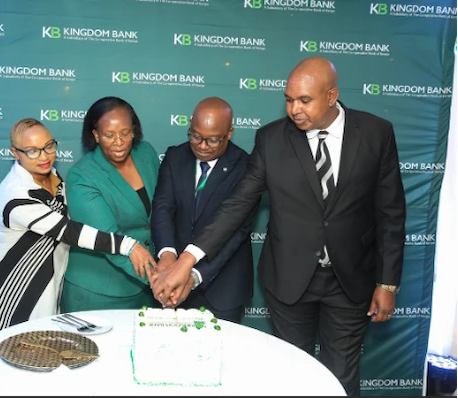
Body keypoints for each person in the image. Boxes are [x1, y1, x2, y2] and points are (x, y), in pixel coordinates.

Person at [150, 57, 406, 396]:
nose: (294, 109)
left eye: (304, 100)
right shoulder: (271, 139)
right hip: (288, 279)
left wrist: (387, 282)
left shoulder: (376, 133)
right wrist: (187, 259)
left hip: (351, 278)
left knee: (341, 374)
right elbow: (237, 206)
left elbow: (391, 212)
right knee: (292, 372)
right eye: (288, 99)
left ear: (331, 96)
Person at [0, 118, 156, 340]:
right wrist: (128, 245)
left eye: (49, 146)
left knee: (42, 356)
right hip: (11, 286)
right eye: (32, 151)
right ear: (15, 152)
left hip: (44, 285)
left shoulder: (53, 177)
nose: (44, 156)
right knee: (7, 355)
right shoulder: (15, 195)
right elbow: (68, 231)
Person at [151, 97, 257, 323]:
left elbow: (236, 233)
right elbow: (162, 208)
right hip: (172, 282)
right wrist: (168, 256)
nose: (201, 145)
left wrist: (194, 276)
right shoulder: (175, 156)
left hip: (223, 288)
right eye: (196, 135)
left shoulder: (247, 167)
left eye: (212, 140)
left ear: (229, 133)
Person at [61, 96, 160, 312]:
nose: (119, 142)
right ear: (95, 135)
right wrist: (162, 281)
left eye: (125, 133)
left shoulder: (147, 153)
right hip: (99, 292)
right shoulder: (82, 176)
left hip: (146, 288)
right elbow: (109, 239)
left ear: (134, 130)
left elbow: (162, 211)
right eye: (109, 135)